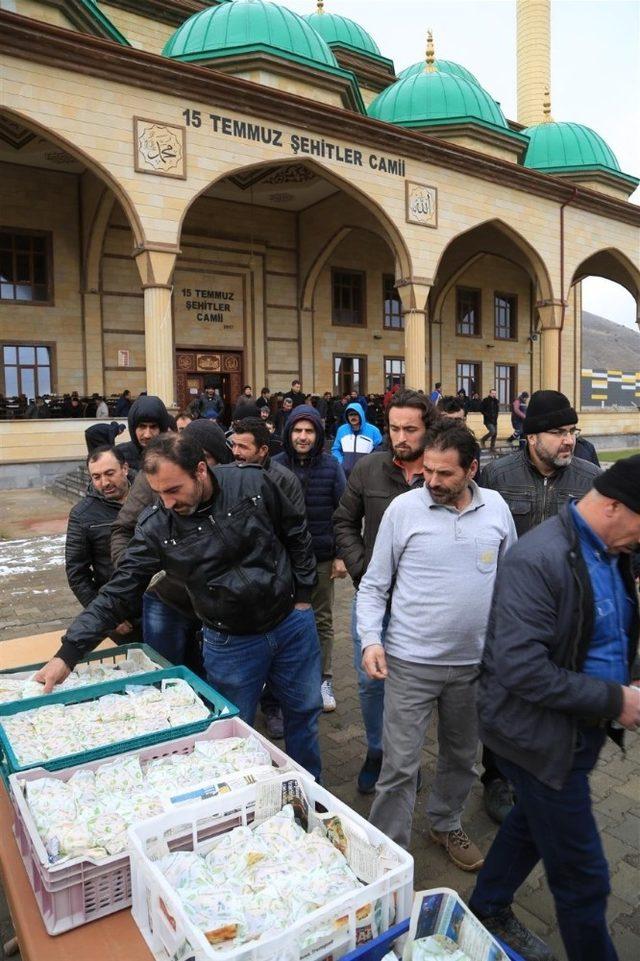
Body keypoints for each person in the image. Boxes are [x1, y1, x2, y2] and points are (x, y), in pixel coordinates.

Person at [37, 431, 322, 778]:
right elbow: (118, 591)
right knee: (232, 732)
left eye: (174, 490)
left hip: (290, 623)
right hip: (231, 642)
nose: (168, 503)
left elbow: (296, 534)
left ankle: (310, 790)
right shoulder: (157, 526)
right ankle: (247, 803)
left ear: (201, 470)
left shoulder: (251, 482)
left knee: (304, 712)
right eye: (159, 493)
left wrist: (304, 597)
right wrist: (68, 653)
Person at [469, 457, 640, 961]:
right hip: (535, 738)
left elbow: (608, 626)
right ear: (613, 507)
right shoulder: (537, 559)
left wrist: (627, 675)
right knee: (583, 877)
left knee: (528, 824)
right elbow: (520, 669)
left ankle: (488, 904)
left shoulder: (612, 550)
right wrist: (617, 699)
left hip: (576, 731)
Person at [358, 422, 516, 866]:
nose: (432, 481)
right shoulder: (403, 510)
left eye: (445, 474)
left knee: (462, 759)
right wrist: (371, 639)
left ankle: (445, 825)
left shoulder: (497, 509)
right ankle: (389, 854)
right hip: (409, 663)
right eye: (428, 471)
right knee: (400, 767)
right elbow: (374, 585)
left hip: (473, 667)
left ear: (472, 469)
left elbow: (510, 583)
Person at [478, 389, 600, 823]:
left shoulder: (588, 479)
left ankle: (544, 773)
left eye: (572, 431)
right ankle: (495, 777)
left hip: (565, 616)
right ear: (532, 437)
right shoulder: (497, 476)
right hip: (507, 611)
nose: (568, 440)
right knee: (504, 691)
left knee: (552, 694)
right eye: (557, 432)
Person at [333, 389, 436, 793]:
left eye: (410, 428)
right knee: (370, 681)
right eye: (394, 428)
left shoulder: (441, 472)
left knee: (412, 683)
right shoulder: (369, 468)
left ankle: (404, 755)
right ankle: (376, 750)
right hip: (374, 599)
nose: (401, 437)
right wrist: (362, 569)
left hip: (424, 603)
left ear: (428, 428)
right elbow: (343, 521)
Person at [110, 418, 233, 673]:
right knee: (164, 672)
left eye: (207, 458)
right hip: (167, 599)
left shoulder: (230, 486)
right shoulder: (155, 477)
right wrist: (137, 573)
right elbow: (123, 528)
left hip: (218, 603)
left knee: (210, 674)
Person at [273, 405, 347, 713]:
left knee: (321, 620)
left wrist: (341, 556)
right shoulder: (273, 465)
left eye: (309, 431)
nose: (303, 437)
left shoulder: (331, 467)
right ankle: (284, 682)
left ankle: (323, 679)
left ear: (318, 434)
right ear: (288, 433)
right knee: (281, 619)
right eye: (297, 430)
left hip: (320, 557)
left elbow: (344, 515)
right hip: (281, 560)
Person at [65, 445, 140, 644]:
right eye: (96, 477)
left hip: (164, 604)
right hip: (122, 614)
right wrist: (104, 615)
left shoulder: (149, 496)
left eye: (109, 473)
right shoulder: (82, 515)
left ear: (125, 468)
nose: (104, 482)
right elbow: (77, 573)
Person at [116, 394, 172, 470]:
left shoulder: (174, 456)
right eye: (142, 427)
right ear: (133, 428)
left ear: (162, 429)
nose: (147, 435)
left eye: (153, 427)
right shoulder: (119, 456)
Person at [331, 401, 382, 477]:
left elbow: (380, 449)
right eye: (350, 415)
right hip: (345, 475)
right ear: (347, 416)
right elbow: (335, 449)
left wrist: (370, 464)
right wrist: (341, 463)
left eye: (356, 414)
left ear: (361, 414)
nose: (353, 417)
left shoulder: (373, 430)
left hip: (367, 474)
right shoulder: (342, 430)